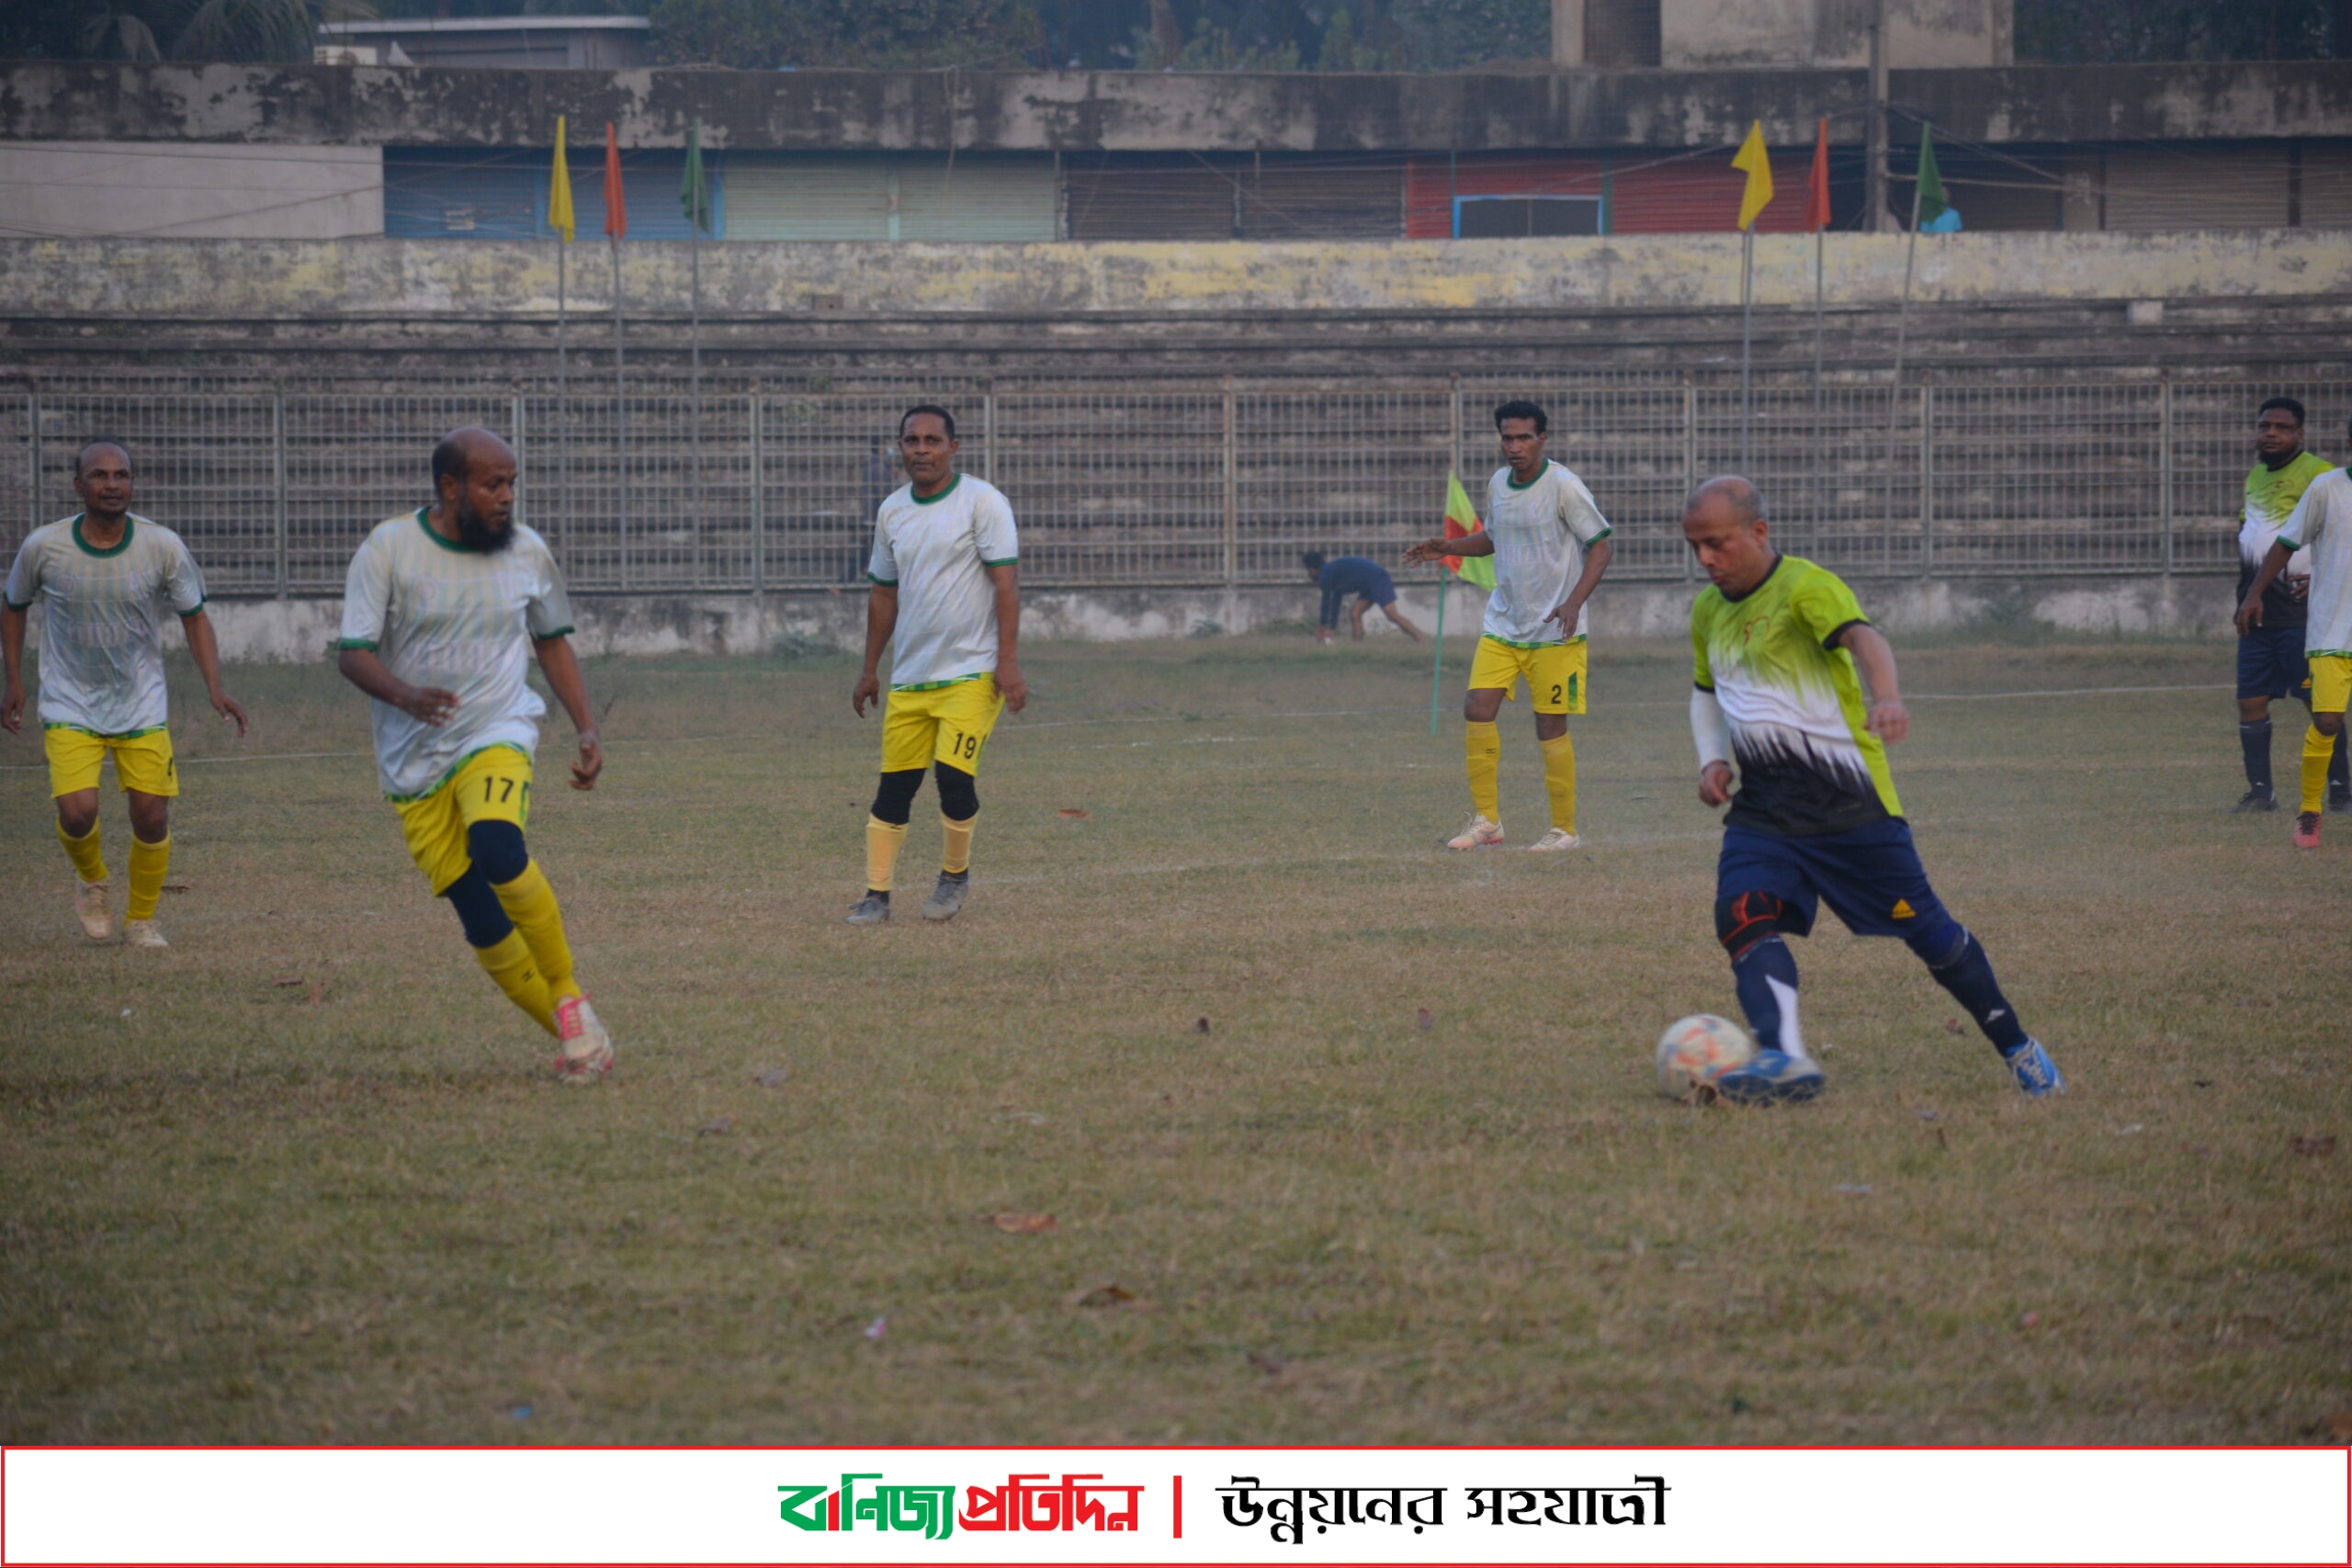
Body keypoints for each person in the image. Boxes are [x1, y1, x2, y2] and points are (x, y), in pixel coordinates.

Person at [1683, 476, 2063, 1103]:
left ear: (1758, 532)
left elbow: (1865, 637)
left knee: (1932, 937)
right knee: (1742, 913)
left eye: (1717, 543)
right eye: (1694, 546)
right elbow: (1705, 690)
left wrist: (1886, 696)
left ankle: (2017, 1044)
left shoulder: (1805, 586)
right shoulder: (1706, 611)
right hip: (1765, 810)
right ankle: (1783, 1056)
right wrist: (1711, 761)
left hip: (1850, 806)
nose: (1705, 559)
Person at [335, 427, 615, 1083]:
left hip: (496, 730)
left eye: (512, 482)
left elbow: (551, 642)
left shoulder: (527, 551)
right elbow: (353, 652)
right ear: (450, 487)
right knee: (479, 915)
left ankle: (568, 990)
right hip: (413, 761)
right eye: (493, 484)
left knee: (498, 848)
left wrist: (587, 726)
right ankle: (578, 1034)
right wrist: (404, 695)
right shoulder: (389, 549)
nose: (506, 496)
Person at [3, 438, 249, 947]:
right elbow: (13, 604)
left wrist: (215, 687)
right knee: (77, 812)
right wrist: (15, 682)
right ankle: (92, 880)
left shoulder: (161, 546)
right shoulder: (44, 546)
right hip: (69, 699)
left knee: (152, 815)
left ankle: (141, 921)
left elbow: (194, 616)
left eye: (121, 475)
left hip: (141, 700)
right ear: (79, 485)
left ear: (132, 484)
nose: (112, 484)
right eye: (99, 475)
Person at [1403, 399, 1611, 853]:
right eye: (1507, 437)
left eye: (1523, 437)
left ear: (1542, 439)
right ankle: (1487, 821)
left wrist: (1574, 602)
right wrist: (1449, 546)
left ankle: (1564, 830)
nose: (1514, 446)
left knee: (1549, 727)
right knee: (1477, 707)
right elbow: (1494, 539)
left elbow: (1601, 547)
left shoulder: (1565, 486)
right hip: (1504, 623)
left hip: (1555, 629)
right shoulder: (1499, 482)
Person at [848, 405, 1027, 925]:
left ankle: (954, 876)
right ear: (899, 448)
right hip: (910, 677)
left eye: (931, 440)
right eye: (911, 440)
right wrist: (869, 669)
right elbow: (883, 593)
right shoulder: (892, 511)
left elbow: (1006, 584)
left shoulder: (982, 503)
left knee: (954, 778)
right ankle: (876, 896)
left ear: (953, 447)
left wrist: (1008, 665)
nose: (921, 449)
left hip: (972, 673)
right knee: (894, 789)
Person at [2237, 410, 2352, 849]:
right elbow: (2287, 541)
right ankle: (2309, 813)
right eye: (2265, 425)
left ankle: (2340, 791)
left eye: (2281, 427)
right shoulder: (2329, 487)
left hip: (2304, 620)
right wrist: (2253, 593)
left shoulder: (2314, 473)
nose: (2271, 434)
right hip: (2332, 632)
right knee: (2325, 720)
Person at [1303, 551, 1424, 644]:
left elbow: (1326, 604)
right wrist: (1331, 628)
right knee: (1355, 614)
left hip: (1377, 579)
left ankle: (1421, 640)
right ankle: (1358, 647)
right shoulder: (1330, 572)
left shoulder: (1325, 576)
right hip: (1368, 583)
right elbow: (1335, 601)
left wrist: (1322, 628)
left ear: (1312, 569)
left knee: (1391, 614)